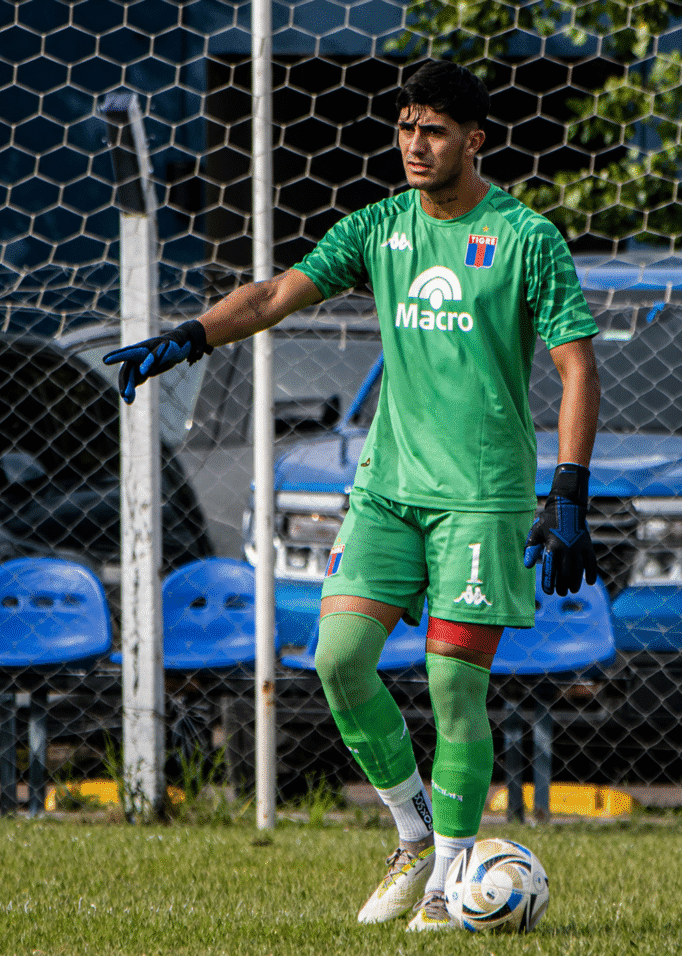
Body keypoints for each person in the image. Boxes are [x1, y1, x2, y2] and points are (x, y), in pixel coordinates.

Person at [104, 59, 601, 931]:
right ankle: (413, 832)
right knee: (337, 658)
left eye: (434, 130)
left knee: (453, 684)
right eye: (406, 126)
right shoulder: (379, 227)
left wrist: (568, 492)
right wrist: (188, 337)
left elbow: (576, 367)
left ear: (474, 140)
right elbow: (273, 294)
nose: (415, 144)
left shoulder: (526, 238)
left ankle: (449, 882)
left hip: (481, 499)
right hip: (386, 491)